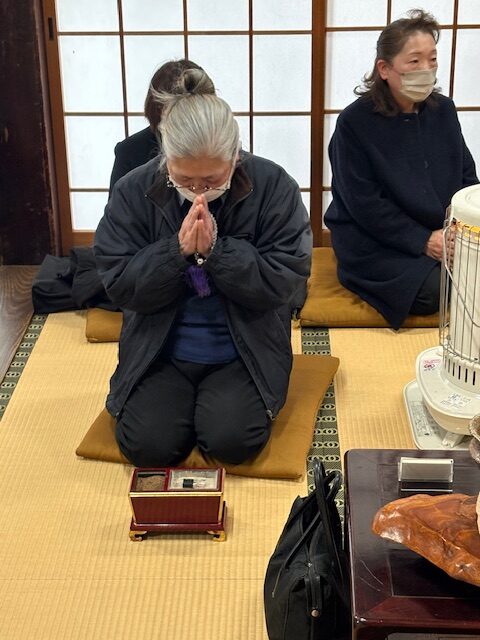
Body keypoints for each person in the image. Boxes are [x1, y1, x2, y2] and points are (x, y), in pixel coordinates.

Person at [94, 68, 312, 468]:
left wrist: (218, 253)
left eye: (211, 180)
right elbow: (119, 283)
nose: (198, 192)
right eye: (184, 179)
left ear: (235, 157)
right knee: (148, 447)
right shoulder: (134, 189)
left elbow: (285, 281)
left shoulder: (273, 186)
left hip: (244, 348)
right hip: (160, 348)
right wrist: (174, 252)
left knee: (233, 442)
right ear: (165, 159)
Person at [324, 9, 478, 330]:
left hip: (441, 231)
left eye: (432, 59)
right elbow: (364, 204)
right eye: (414, 61)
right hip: (375, 239)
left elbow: (466, 176)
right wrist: (424, 240)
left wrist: (458, 229)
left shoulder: (443, 110)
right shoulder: (355, 123)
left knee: (468, 275)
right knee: (433, 292)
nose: (427, 69)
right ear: (384, 68)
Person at [108, 59, 214, 194]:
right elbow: (118, 205)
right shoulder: (130, 151)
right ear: (159, 109)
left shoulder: (222, 146)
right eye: (177, 110)